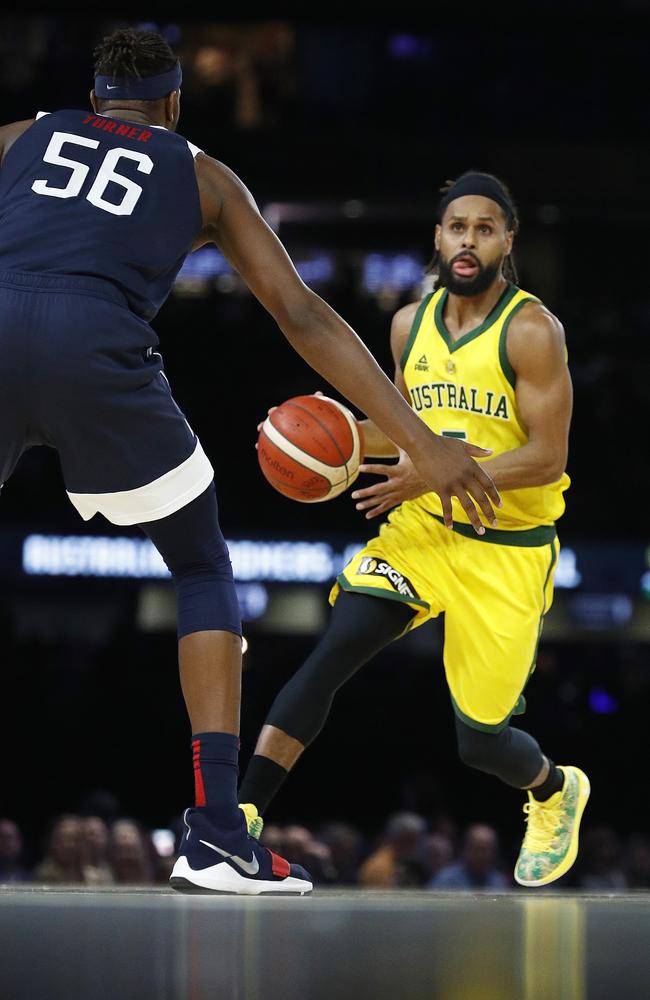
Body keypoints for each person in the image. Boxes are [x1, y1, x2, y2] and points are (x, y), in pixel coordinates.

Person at [0, 29, 499, 897]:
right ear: (174, 106)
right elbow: (302, 318)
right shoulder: (203, 176)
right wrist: (422, 442)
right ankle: (217, 837)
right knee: (198, 562)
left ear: (89, 102)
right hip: (97, 350)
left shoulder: (15, 138)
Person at [238, 171, 591, 888]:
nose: (468, 240)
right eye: (457, 227)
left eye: (485, 229)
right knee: (330, 655)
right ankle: (238, 817)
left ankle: (556, 791)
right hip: (425, 532)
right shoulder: (409, 324)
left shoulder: (532, 330)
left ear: (506, 241)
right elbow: (402, 434)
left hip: (508, 548)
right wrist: (311, 435)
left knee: (480, 741)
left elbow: (547, 457)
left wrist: (437, 469)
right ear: (439, 237)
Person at [430, 824, 508, 891]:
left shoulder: (499, 882)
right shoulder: (445, 880)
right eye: (479, 849)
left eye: (488, 850)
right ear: (467, 849)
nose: (483, 856)